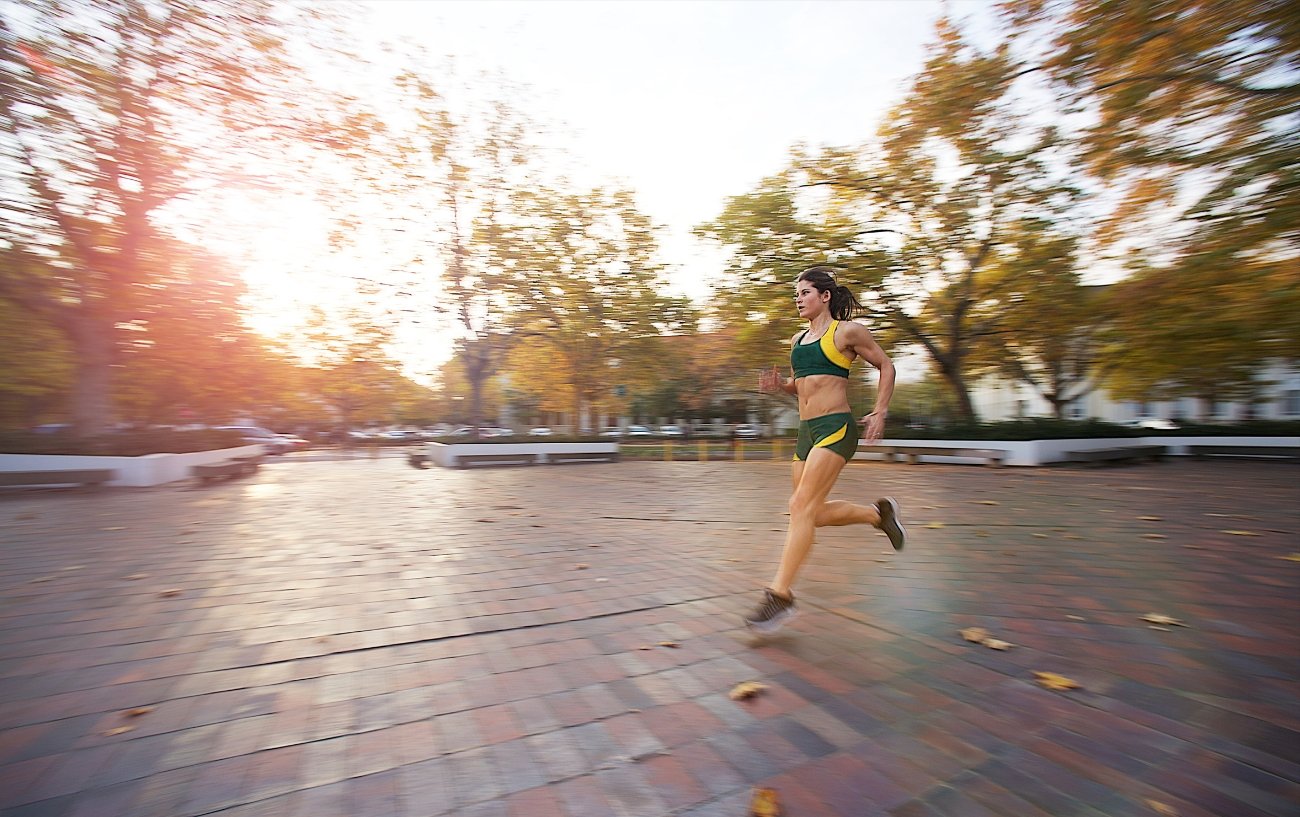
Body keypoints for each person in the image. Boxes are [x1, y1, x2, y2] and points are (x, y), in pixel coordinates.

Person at [744, 266, 905, 634]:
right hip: (806, 432)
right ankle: (878, 516)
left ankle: (780, 595)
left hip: (836, 428)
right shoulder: (798, 341)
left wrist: (880, 410)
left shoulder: (846, 332)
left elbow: (886, 364)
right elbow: (802, 387)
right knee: (809, 513)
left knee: (799, 507)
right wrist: (780, 386)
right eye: (796, 295)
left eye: (804, 293)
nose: (798, 299)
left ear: (825, 296)